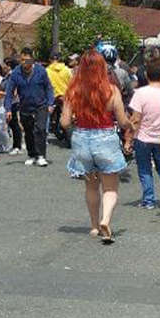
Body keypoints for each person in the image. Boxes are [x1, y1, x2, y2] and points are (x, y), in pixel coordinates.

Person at [61, 49, 135, 244]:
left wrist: (78, 121)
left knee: (91, 187)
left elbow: (64, 122)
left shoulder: (73, 91)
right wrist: (131, 125)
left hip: (82, 138)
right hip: (106, 138)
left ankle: (94, 226)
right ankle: (106, 219)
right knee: (110, 188)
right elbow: (121, 120)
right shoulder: (112, 90)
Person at [125, 60, 160, 209]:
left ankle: (148, 200)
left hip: (143, 137)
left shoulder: (140, 93)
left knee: (144, 168)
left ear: (147, 75)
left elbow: (135, 118)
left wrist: (128, 139)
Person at [4, 47, 54, 166]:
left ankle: (41, 155)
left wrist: (51, 103)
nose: (24, 63)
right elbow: (9, 91)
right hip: (25, 106)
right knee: (28, 131)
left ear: (32, 60)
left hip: (41, 104)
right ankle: (32, 154)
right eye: (22, 60)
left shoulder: (41, 70)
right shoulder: (16, 72)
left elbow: (48, 87)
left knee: (40, 129)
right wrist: (8, 109)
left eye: (26, 60)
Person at [47, 51, 73, 148]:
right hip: (66, 96)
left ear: (50, 60)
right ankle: (68, 137)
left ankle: (46, 136)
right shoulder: (67, 70)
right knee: (67, 117)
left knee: (49, 117)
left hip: (52, 97)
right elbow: (72, 83)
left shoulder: (47, 71)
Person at [3, 56, 24, 154]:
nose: (3, 66)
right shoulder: (8, 75)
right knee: (12, 124)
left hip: (13, 102)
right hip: (9, 101)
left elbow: (14, 90)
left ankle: (17, 145)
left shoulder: (13, 75)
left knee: (14, 124)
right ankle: (16, 144)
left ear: (9, 65)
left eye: (5, 64)